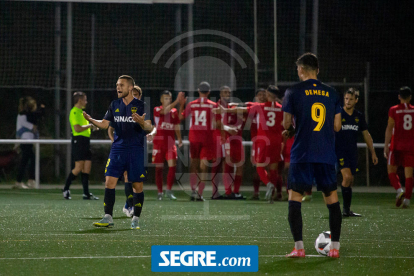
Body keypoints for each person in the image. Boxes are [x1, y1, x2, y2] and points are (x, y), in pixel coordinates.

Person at [282, 53, 342, 258]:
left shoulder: (293, 92)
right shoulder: (332, 93)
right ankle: (334, 248)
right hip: (325, 153)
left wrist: (292, 130)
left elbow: (286, 124)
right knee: (332, 200)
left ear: (300, 69)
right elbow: (336, 125)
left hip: (302, 153)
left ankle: (299, 248)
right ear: (318, 70)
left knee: (295, 198)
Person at [83, 75, 153, 229]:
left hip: (135, 150)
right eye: (117, 85)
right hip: (118, 149)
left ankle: (135, 218)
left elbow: (150, 128)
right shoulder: (114, 104)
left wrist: (142, 122)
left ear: (130, 88)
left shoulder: (142, 105)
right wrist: (91, 120)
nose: (118, 87)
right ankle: (108, 217)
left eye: (121, 85)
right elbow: (104, 124)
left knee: (137, 186)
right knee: (109, 182)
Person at [107, 85, 154, 217]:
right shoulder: (120, 110)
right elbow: (110, 128)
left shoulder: (143, 110)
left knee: (137, 180)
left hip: (138, 148)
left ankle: (132, 204)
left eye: (136, 95)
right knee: (126, 175)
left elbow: (151, 127)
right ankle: (130, 204)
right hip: (123, 148)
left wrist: (149, 132)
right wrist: (114, 141)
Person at [336, 88, 378, 216]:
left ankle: (347, 210)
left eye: (351, 99)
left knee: (351, 180)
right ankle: (343, 210)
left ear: (356, 100)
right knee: (347, 177)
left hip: (352, 152)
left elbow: (366, 135)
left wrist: (373, 152)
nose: (348, 101)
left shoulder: (358, 116)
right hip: (339, 151)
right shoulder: (338, 114)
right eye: (346, 99)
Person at [178, 81, 221, 201]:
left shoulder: (192, 104)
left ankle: (193, 191)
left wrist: (181, 104)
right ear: (209, 92)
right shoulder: (213, 105)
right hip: (207, 138)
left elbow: (181, 117)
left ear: (198, 91)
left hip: (194, 137)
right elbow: (217, 123)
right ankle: (200, 193)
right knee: (204, 167)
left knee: (194, 165)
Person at [62, 92, 99, 200]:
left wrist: (93, 126)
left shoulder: (82, 112)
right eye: (85, 99)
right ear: (79, 100)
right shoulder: (74, 112)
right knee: (78, 167)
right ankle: (66, 189)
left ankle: (86, 193)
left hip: (86, 141)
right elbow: (77, 128)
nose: (86, 102)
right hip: (78, 141)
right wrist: (90, 125)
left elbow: (86, 127)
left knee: (87, 167)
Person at [384, 86, 414, 208]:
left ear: (399, 97)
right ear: (410, 97)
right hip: (411, 147)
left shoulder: (394, 110)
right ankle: (407, 199)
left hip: (396, 146)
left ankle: (399, 190)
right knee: (409, 174)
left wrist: (386, 145)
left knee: (391, 170)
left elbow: (390, 127)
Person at [152, 90, 183, 200]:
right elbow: (164, 112)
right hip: (159, 143)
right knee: (159, 168)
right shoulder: (157, 109)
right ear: (161, 100)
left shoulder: (174, 111)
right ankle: (160, 192)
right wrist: (176, 101)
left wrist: (179, 139)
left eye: (169, 98)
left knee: (172, 166)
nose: (168, 100)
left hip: (170, 143)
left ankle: (168, 191)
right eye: (166, 98)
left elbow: (176, 125)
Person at [15, 96, 43, 189]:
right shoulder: (22, 116)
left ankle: (21, 181)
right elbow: (32, 128)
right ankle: (28, 180)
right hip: (25, 141)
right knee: (30, 159)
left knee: (26, 161)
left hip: (28, 141)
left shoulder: (26, 116)